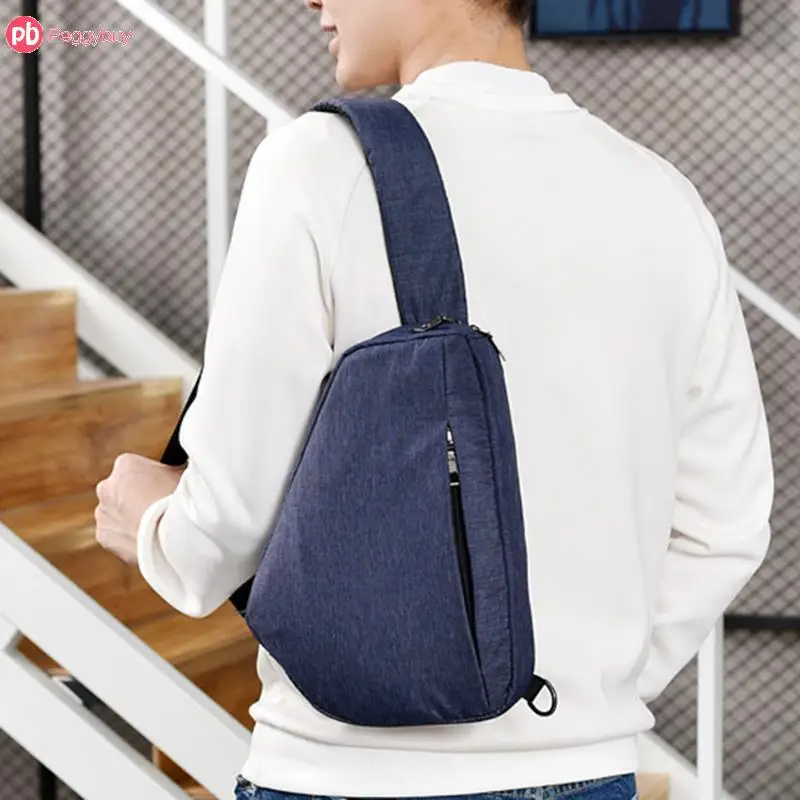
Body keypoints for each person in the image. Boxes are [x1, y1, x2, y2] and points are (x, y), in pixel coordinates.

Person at [93, 0, 774, 798]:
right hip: (587, 767)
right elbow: (725, 525)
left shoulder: (320, 164)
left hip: (348, 772)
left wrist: (147, 516)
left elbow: (220, 533)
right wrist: (587, 689)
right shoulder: (661, 195)